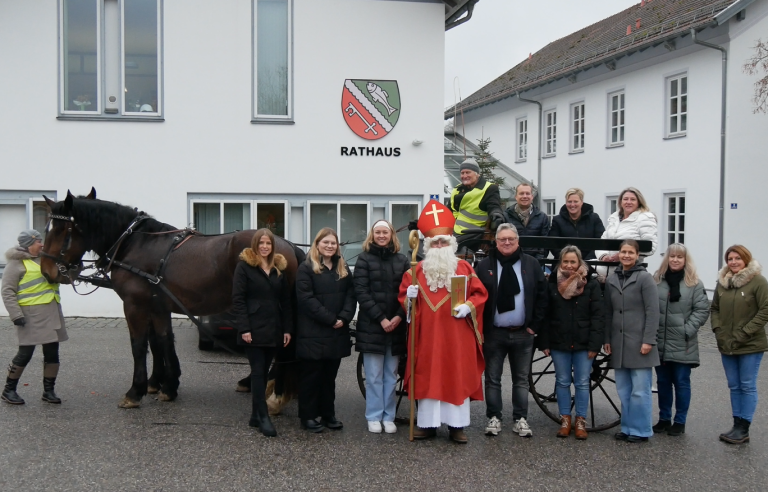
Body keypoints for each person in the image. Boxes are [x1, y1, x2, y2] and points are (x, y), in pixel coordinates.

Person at [399, 200, 487, 443]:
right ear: (427, 245)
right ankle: (427, 425)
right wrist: (409, 298)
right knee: (428, 375)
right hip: (426, 337)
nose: (439, 245)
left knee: (455, 375)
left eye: (443, 242)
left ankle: (456, 426)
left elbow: (480, 294)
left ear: (451, 244)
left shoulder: (464, 267)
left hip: (457, 337)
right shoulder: (414, 271)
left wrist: (468, 306)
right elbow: (403, 298)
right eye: (434, 242)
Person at [476, 223, 548, 438]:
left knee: (521, 379)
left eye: (511, 239)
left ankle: (520, 419)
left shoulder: (532, 264)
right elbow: (476, 298)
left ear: (518, 241)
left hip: (522, 333)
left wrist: (534, 326)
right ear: (496, 242)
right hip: (494, 332)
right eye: (502, 239)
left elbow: (542, 298)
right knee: (492, 378)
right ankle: (494, 417)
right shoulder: (484, 266)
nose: (506, 243)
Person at [231, 229, 292, 437]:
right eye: (261, 243)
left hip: (273, 328)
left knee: (264, 372)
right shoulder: (244, 267)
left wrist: (287, 329)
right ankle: (263, 416)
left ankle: (254, 416)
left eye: (268, 243)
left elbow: (285, 301)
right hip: (253, 330)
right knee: (258, 373)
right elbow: (238, 300)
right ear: (255, 245)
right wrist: (244, 328)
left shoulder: (277, 269)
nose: (264, 247)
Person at [539, 245, 604, 439]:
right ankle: (565, 419)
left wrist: (595, 345)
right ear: (560, 262)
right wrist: (545, 342)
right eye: (565, 261)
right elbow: (545, 314)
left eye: (572, 262)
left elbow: (598, 316)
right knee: (562, 381)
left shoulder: (590, 284)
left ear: (579, 263)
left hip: (584, 342)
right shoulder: (552, 283)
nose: (568, 265)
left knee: (583, 382)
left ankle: (581, 421)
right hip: (559, 340)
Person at [295, 228, 356, 433]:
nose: (330, 246)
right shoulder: (306, 268)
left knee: (329, 377)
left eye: (333, 243)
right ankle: (308, 416)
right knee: (311, 377)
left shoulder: (342, 266)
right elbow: (306, 299)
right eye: (326, 242)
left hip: (336, 332)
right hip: (313, 331)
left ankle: (328, 413)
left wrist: (345, 317)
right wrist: (331, 319)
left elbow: (351, 294)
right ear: (317, 244)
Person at [353, 220, 409, 434]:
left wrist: (397, 316)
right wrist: (381, 319)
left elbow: (406, 292)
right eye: (378, 232)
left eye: (385, 232)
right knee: (374, 375)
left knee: (390, 374)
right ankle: (374, 415)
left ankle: (389, 415)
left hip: (395, 324)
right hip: (373, 325)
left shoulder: (402, 260)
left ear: (391, 234)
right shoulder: (364, 259)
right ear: (372, 235)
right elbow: (362, 292)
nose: (381, 235)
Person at [1, 230, 68, 405]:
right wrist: (16, 315)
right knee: (25, 354)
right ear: (29, 244)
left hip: (52, 313)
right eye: (39, 241)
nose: (42, 244)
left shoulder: (45, 260)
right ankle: (9, 390)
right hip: (30, 316)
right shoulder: (15, 265)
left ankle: (49, 391)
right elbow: (7, 292)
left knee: (52, 353)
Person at [711, 245, 768, 444]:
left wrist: (745, 332)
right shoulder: (723, 283)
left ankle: (744, 427)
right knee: (734, 386)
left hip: (750, 344)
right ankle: (736, 424)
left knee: (747, 385)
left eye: (737, 258)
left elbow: (765, 310)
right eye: (730, 259)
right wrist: (718, 329)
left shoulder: (758, 282)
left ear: (746, 259)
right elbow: (715, 308)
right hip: (727, 342)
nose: (733, 262)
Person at [604, 239, 660, 443]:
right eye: (623, 252)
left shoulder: (645, 279)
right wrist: (607, 338)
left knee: (640, 390)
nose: (626, 255)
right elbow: (608, 312)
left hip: (639, 343)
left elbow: (653, 312)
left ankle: (641, 430)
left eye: (630, 252)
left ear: (637, 256)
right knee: (624, 389)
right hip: (619, 342)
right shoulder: (612, 279)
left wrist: (648, 340)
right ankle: (627, 427)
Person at [651, 243, 709, 437]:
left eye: (679, 257)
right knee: (663, 382)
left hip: (683, 342)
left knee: (682, 382)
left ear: (685, 260)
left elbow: (701, 310)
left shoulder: (694, 283)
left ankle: (680, 421)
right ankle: (664, 418)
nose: (675, 260)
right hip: (661, 341)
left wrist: (687, 330)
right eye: (672, 256)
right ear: (667, 258)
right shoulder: (657, 280)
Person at [596, 187, 657, 262]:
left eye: (633, 199)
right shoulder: (614, 218)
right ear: (621, 202)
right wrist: (603, 256)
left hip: (631, 268)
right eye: (625, 199)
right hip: (609, 266)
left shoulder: (645, 218)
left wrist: (623, 254)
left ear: (639, 202)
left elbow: (651, 247)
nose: (628, 202)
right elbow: (601, 242)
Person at [450, 157, 504, 234]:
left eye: (468, 172)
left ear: (477, 174)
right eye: (462, 173)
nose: (465, 176)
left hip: (475, 234)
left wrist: (496, 213)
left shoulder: (489, 188)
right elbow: (449, 209)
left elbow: (494, 205)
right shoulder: (456, 189)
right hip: (453, 232)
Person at [548, 188, 605, 260]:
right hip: (564, 263)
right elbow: (554, 245)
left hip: (589, 263)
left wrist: (585, 262)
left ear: (581, 202)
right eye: (569, 201)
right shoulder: (557, 220)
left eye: (575, 201)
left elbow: (600, 242)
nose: (572, 205)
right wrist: (568, 260)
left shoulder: (594, 218)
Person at [503, 183, 550, 260]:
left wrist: (537, 262)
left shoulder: (542, 217)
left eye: (527, 193)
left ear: (532, 197)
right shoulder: (506, 216)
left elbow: (545, 243)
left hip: (535, 262)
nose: (525, 196)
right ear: (516, 196)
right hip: (511, 261)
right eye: (521, 193)